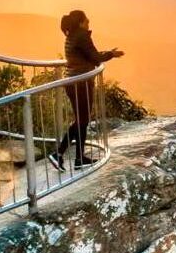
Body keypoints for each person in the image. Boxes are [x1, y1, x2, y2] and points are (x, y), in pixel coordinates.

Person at [48, 10, 124, 170]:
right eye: (86, 19)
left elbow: (90, 55)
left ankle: (79, 158)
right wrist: (111, 54)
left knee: (82, 120)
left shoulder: (72, 35)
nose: (89, 21)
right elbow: (95, 57)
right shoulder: (82, 35)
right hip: (81, 83)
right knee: (81, 120)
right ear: (81, 22)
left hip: (74, 82)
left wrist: (106, 53)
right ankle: (59, 153)